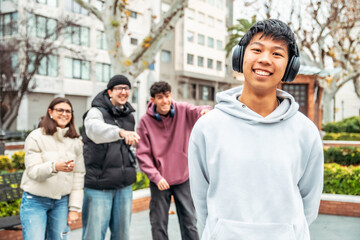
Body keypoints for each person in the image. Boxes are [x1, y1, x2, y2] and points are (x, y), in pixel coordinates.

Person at [188, 19, 324, 240]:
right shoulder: (207, 127)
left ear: (290, 67)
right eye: (257, 50)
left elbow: (309, 202)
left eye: (277, 54)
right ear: (239, 57)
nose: (264, 59)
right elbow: (201, 198)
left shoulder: (306, 132)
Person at [136, 81, 211, 240]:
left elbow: (198, 110)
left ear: (171, 95)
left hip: (183, 176)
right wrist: (156, 177)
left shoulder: (183, 110)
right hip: (160, 180)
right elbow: (143, 154)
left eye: (167, 96)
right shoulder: (145, 122)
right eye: (160, 97)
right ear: (153, 100)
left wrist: (205, 111)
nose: (165, 101)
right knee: (158, 223)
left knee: (189, 221)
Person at [81, 74, 140, 240]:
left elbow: (127, 147)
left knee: (122, 235)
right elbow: (94, 130)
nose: (123, 92)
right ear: (109, 92)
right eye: (119, 88)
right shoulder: (95, 112)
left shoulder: (129, 116)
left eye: (126, 88)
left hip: (123, 186)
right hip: (99, 186)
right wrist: (119, 132)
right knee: (93, 235)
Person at [20, 97, 85, 240]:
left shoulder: (75, 141)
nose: (64, 114)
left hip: (61, 203)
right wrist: (54, 167)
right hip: (35, 201)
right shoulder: (36, 137)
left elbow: (78, 175)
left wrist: (74, 208)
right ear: (50, 112)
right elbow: (33, 171)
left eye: (68, 111)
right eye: (60, 110)